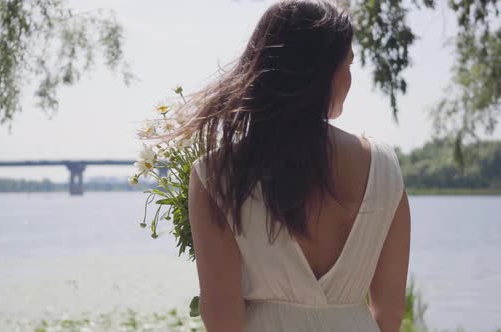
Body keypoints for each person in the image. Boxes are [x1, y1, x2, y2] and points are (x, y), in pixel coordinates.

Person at [174, 0, 410, 331]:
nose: (349, 78)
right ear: (325, 71)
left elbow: (222, 309)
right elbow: (390, 311)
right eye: (348, 65)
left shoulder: (218, 174)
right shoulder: (384, 168)